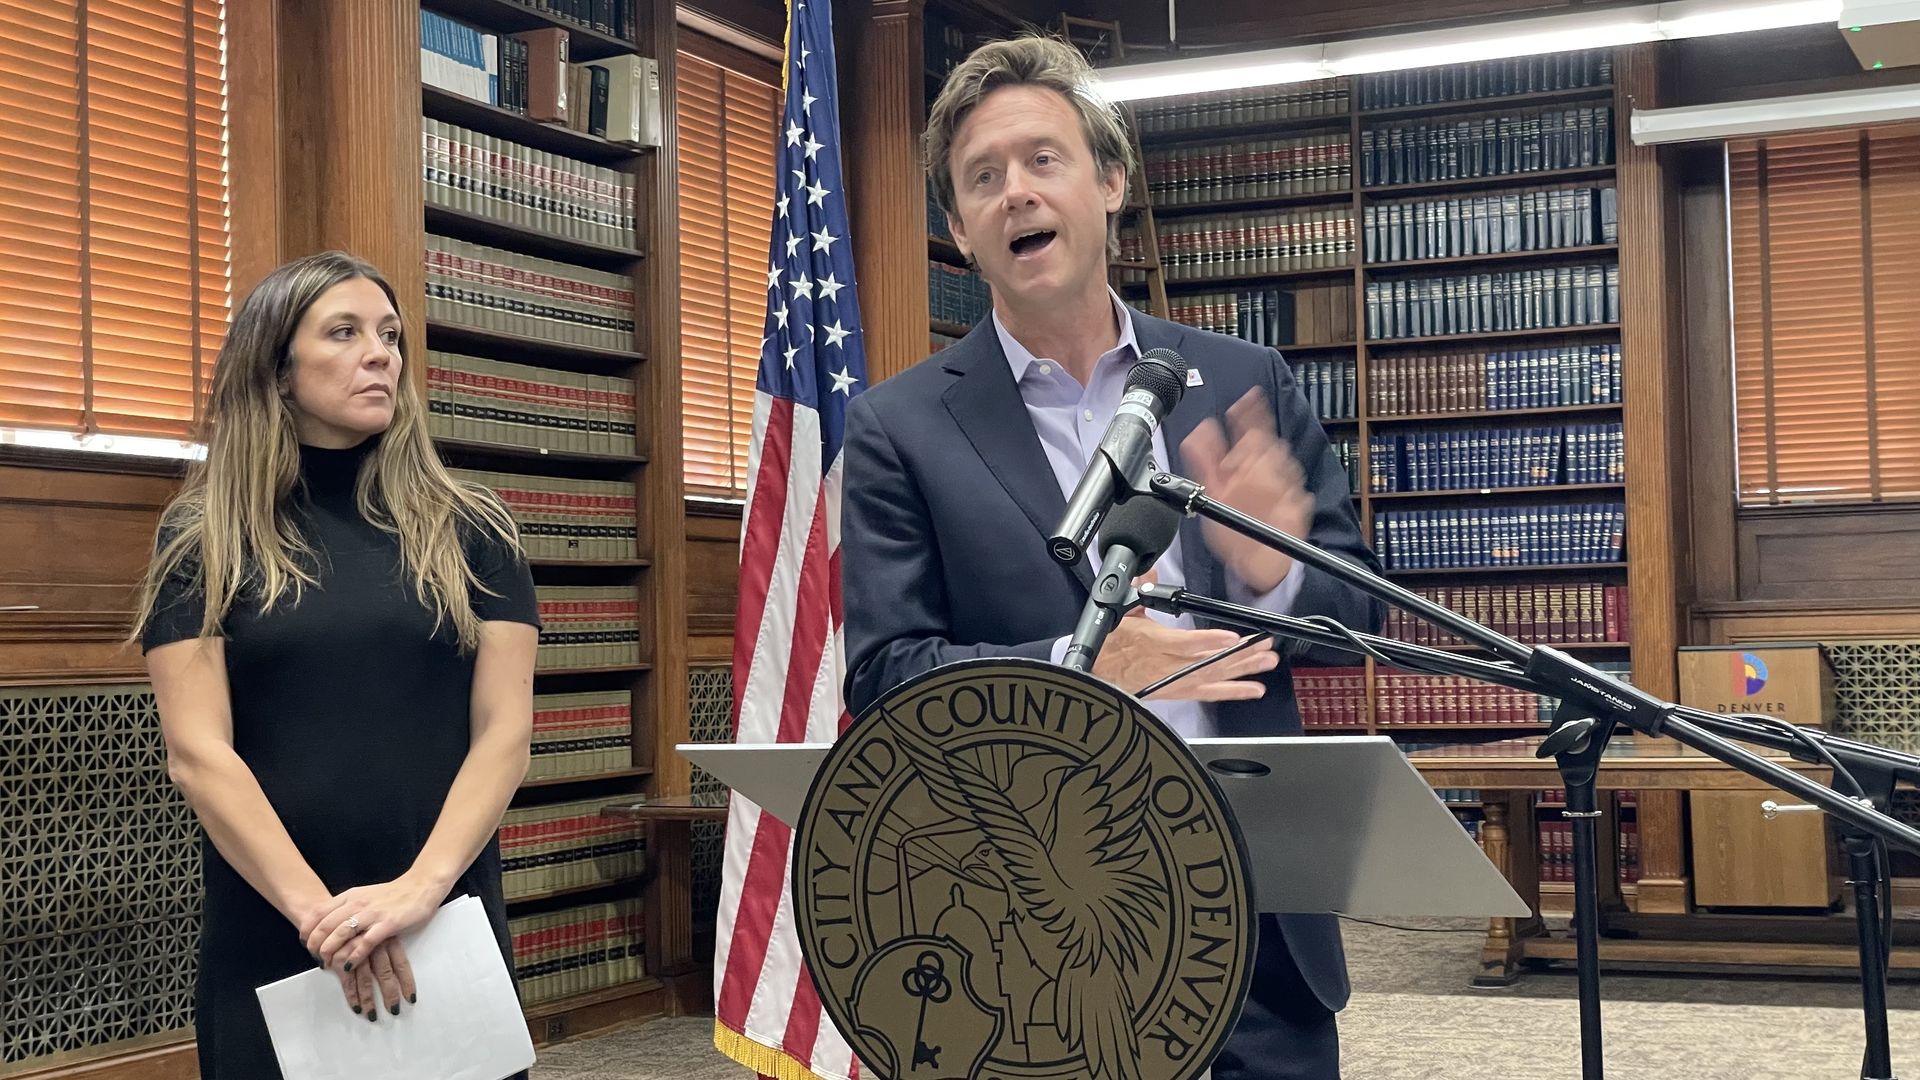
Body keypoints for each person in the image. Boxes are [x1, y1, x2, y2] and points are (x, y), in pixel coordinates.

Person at [841, 36, 1384, 1080]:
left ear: (1110, 183)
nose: (1015, 194)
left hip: (1252, 905)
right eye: (982, 179)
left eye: (1043, 160)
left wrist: (1273, 571)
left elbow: (1360, 616)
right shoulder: (897, 427)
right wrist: (1077, 666)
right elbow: (888, 674)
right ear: (958, 230)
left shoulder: (1238, 379)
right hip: (1025, 933)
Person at [133, 251, 540, 1079]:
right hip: (276, 924)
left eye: (389, 336)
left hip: (442, 913)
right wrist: (325, 919)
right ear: (277, 371)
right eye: (345, 332)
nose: (380, 353)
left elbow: (505, 734)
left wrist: (417, 892)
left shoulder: (475, 530)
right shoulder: (201, 539)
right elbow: (199, 754)